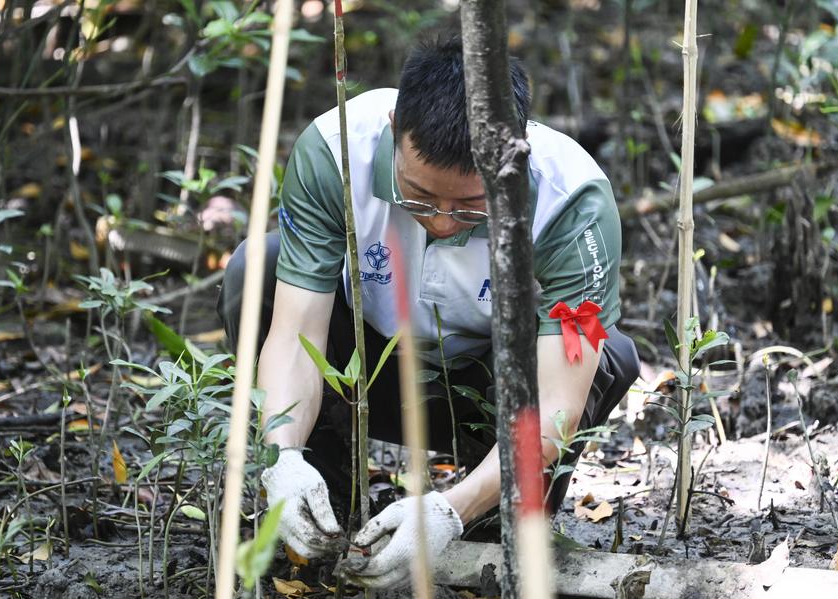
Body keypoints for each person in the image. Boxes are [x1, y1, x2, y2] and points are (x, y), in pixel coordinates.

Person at [217, 37, 639, 589]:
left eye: (469, 206)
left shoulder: (572, 203)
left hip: (493, 389)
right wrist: (282, 455)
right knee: (258, 268)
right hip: (365, 369)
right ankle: (321, 497)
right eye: (417, 196)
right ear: (395, 129)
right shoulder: (334, 149)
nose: (440, 222)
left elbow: (559, 404)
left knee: (606, 358)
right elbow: (296, 334)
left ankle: (491, 516)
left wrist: (449, 510)